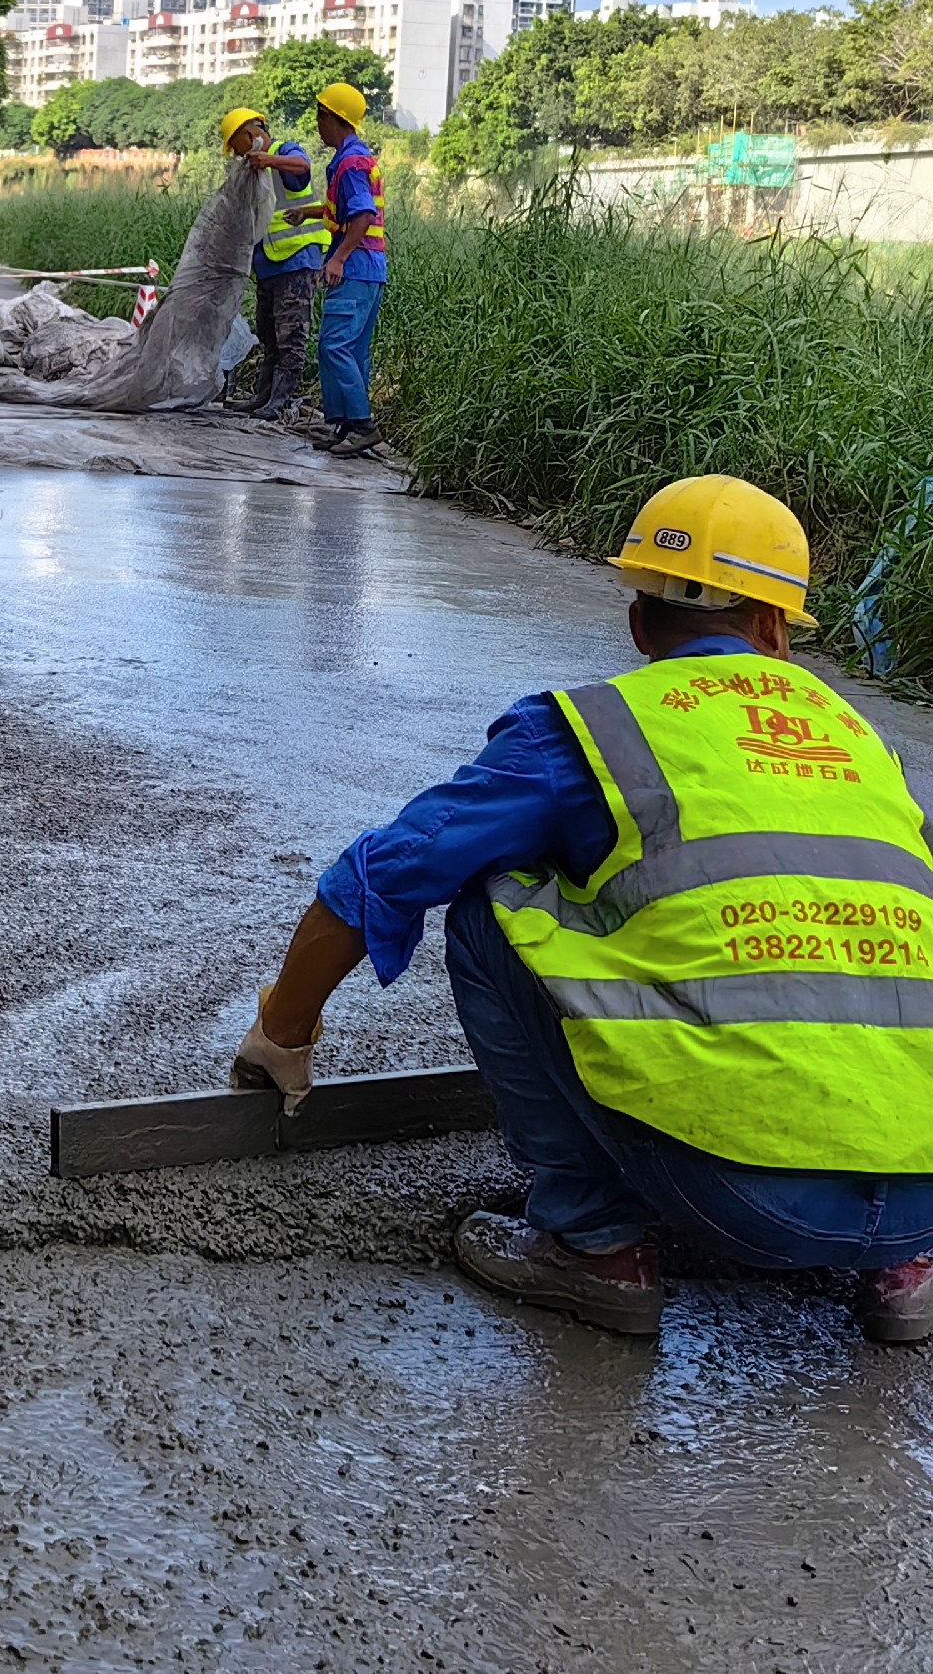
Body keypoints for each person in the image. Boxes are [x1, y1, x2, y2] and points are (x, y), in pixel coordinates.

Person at [230, 474, 933, 1343]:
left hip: (733, 1192)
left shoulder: (595, 731)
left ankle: (591, 1245)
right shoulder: (868, 747)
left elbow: (378, 876)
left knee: (488, 903)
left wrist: (283, 1034)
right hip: (925, 1201)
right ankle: (905, 1270)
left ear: (638, 623)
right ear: (776, 629)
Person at [220, 107, 329, 423]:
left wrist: (269, 161)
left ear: (250, 134)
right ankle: (263, 397)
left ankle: (279, 402)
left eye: (239, 147)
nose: (240, 156)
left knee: (290, 335)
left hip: (297, 262)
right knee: (269, 334)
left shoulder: (284, 152)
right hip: (269, 265)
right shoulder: (254, 170)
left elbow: (303, 166)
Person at [306, 80, 385, 457]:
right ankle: (345, 425)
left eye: (320, 117)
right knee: (351, 350)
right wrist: (307, 213)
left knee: (334, 345)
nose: (318, 126)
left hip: (353, 267)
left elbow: (363, 213)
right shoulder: (355, 158)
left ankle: (363, 425)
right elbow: (344, 210)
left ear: (333, 118)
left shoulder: (351, 163)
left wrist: (337, 258)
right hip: (370, 268)